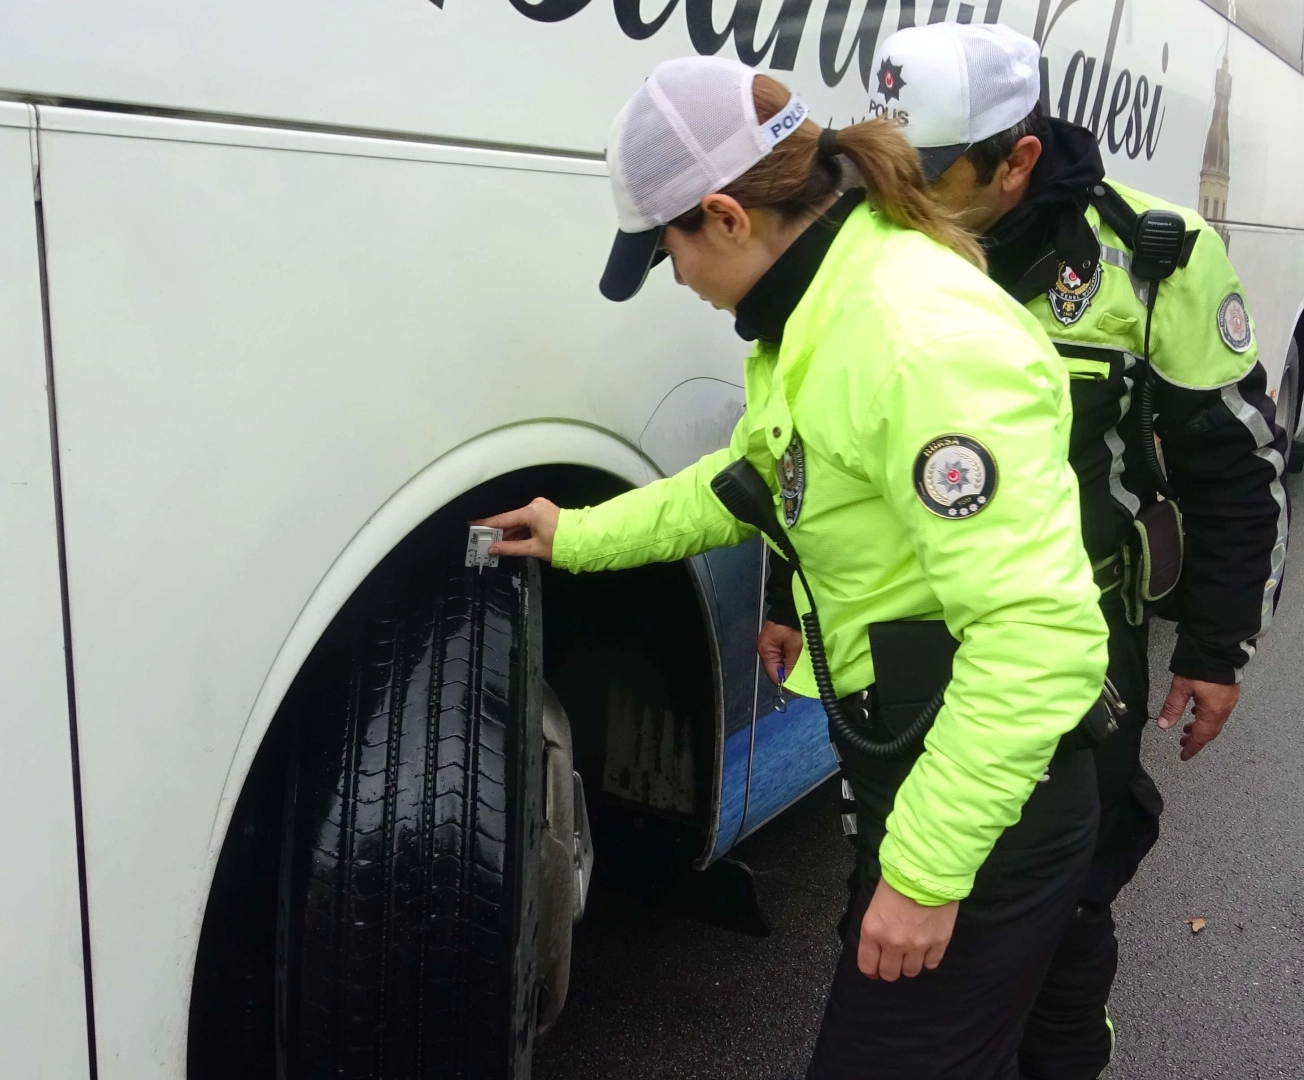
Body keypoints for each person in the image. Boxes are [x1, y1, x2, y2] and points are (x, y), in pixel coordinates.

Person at [479, 55, 1111, 1076]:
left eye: (667, 250)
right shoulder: (826, 313)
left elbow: (1040, 642)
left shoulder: (912, 337)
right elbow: (746, 480)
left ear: (726, 218)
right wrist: (576, 533)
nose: (675, 278)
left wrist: (921, 874)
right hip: (928, 765)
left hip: (989, 803)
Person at [859, 22, 1291, 1079]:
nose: (893, 199)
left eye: (929, 175)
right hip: (905, 634)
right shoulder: (873, 243)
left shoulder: (1155, 259)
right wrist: (785, 589)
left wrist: (1217, 651)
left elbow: (1233, 470)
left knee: (1072, 888)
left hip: (1078, 639)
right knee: (897, 871)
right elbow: (817, 442)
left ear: (1017, 159)